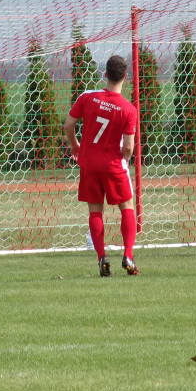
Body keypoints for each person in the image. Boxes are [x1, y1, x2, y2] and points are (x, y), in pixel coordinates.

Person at [63, 55, 140, 277]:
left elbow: (69, 125)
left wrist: (75, 145)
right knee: (127, 206)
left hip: (88, 164)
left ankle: (101, 258)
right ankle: (128, 255)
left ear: (105, 74)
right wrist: (124, 160)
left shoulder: (87, 97)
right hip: (113, 165)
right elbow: (128, 147)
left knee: (95, 210)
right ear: (126, 77)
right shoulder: (128, 109)